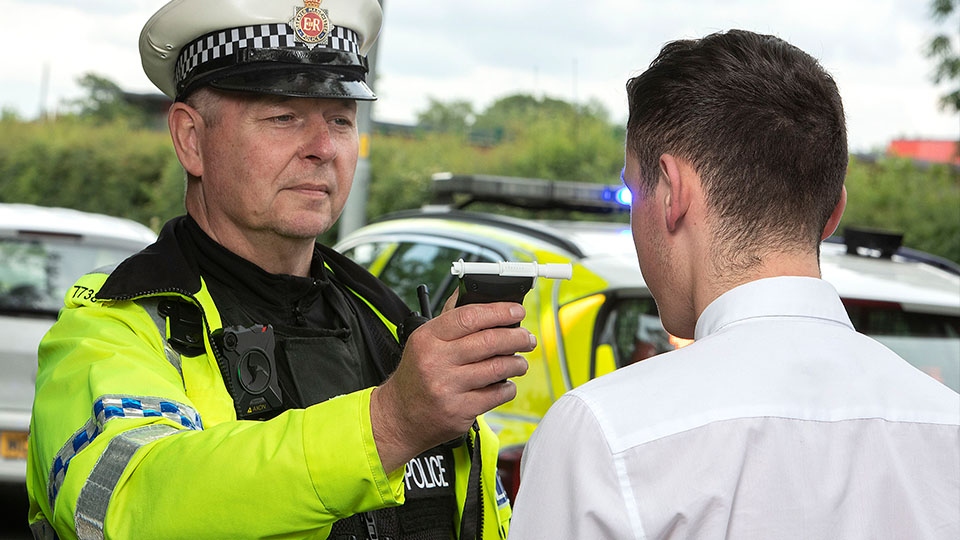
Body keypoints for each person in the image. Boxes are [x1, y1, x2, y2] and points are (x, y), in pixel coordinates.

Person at [26, 1, 534, 538]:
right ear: (191, 140)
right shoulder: (113, 329)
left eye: (340, 120)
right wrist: (387, 423)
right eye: (283, 117)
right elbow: (133, 505)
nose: (322, 149)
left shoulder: (394, 328)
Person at [509, 29, 960, 539]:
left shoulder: (604, 437)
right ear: (834, 211)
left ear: (671, 194)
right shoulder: (950, 427)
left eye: (634, 191)